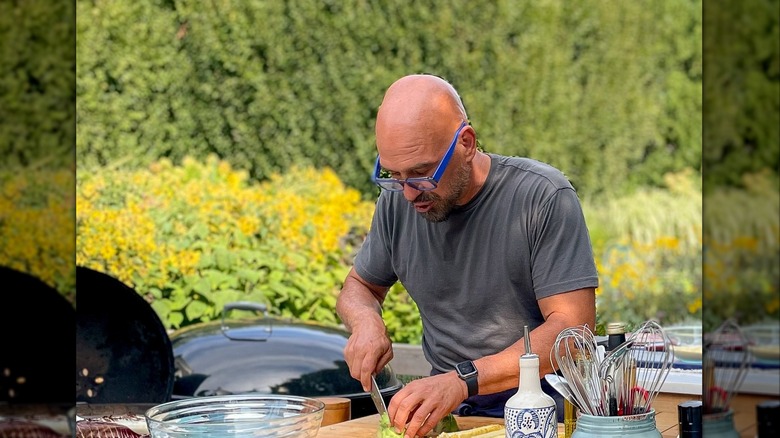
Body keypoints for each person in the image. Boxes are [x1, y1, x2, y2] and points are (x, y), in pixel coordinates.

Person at [335, 74, 598, 438]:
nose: (409, 194)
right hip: (449, 417)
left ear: (467, 143)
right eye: (393, 175)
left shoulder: (543, 197)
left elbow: (571, 331)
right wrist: (365, 321)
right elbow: (359, 286)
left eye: (422, 174)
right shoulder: (398, 201)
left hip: (543, 415)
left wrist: (463, 380)